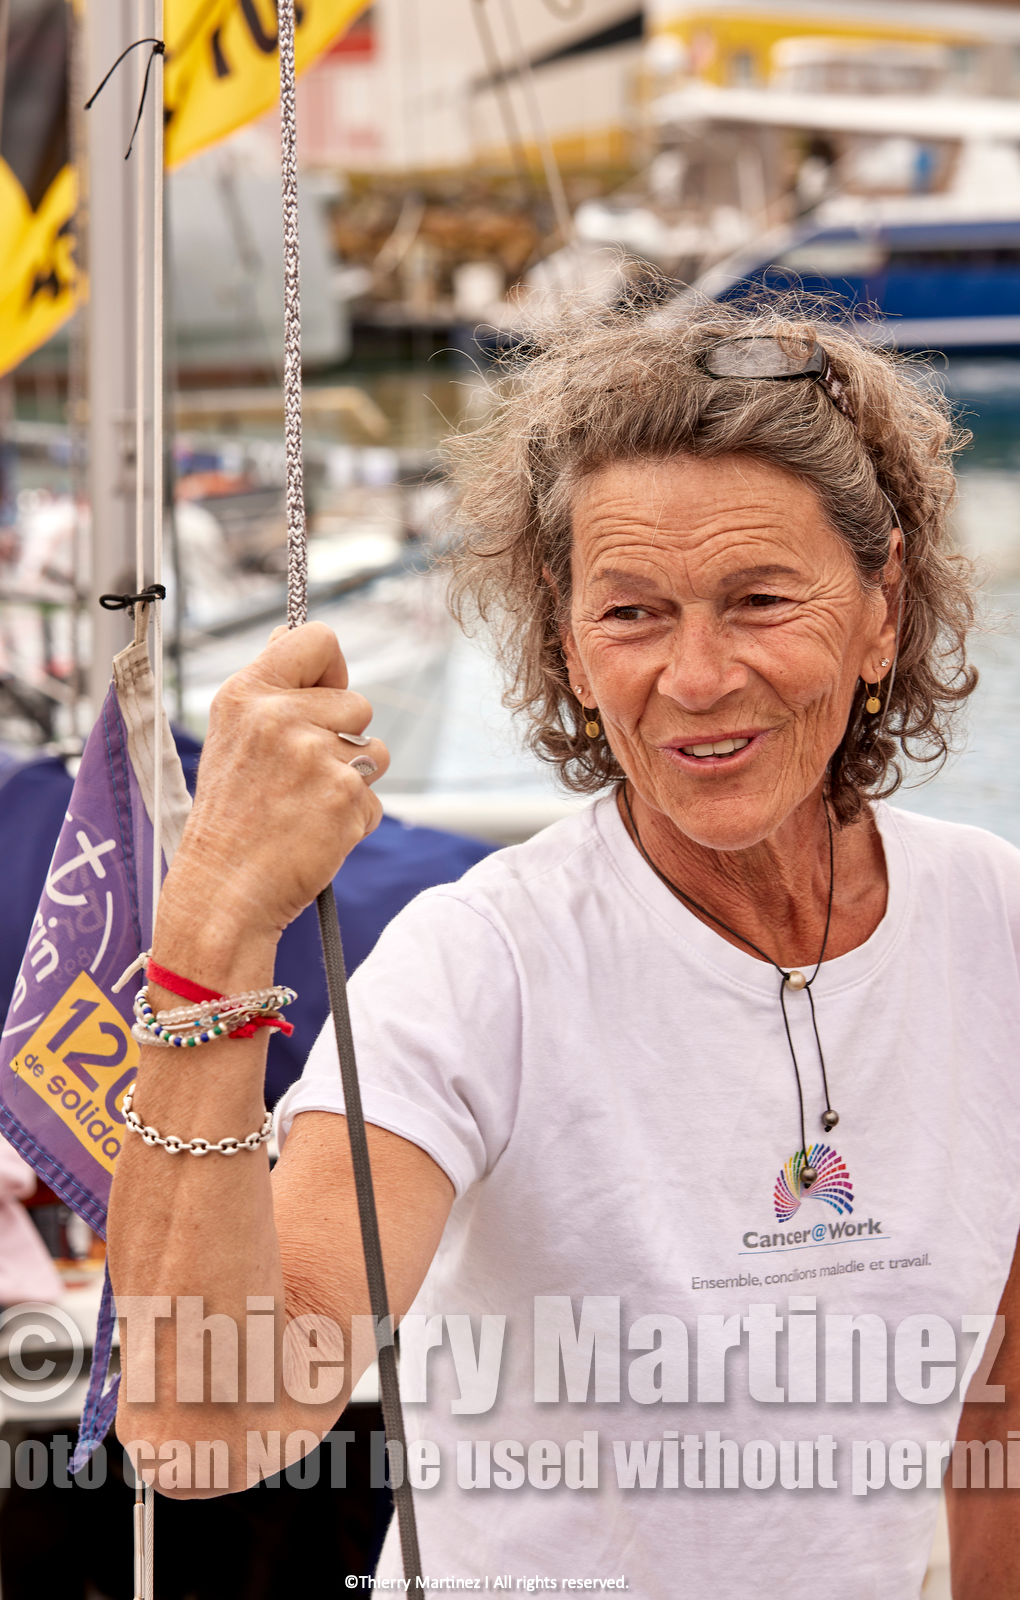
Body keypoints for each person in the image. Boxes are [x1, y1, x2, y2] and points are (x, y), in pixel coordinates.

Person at [107, 303, 1020, 1599]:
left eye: (757, 601)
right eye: (633, 613)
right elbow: (207, 1429)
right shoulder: (480, 968)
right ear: (567, 642)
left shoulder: (994, 925)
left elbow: (999, 1418)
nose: (694, 676)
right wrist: (212, 922)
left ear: (882, 612)